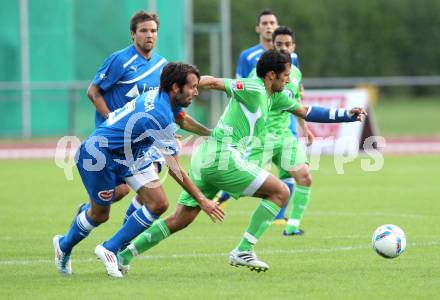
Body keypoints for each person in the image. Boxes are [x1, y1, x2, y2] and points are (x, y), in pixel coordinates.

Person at [117, 49, 366, 274]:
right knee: (280, 192)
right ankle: (243, 250)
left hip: (206, 158)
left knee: (182, 218)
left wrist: (346, 115)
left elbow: (307, 112)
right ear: (271, 75)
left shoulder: (275, 97)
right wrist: (174, 88)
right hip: (222, 158)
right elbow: (213, 82)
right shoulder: (253, 88)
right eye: (286, 75)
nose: (289, 79)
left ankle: (125, 254)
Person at [52, 63, 225, 277]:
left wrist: (210, 133)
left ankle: (109, 248)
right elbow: (175, 170)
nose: (196, 92)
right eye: (192, 87)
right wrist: (203, 200)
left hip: (129, 154)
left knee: (158, 202)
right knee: (99, 215)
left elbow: (181, 119)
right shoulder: (159, 114)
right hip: (98, 155)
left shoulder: (164, 98)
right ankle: (64, 245)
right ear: (175, 88)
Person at [85, 11, 211, 224]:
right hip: (113, 139)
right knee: (119, 192)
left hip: (140, 142)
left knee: (154, 185)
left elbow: (178, 115)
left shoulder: (163, 67)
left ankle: (122, 239)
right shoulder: (120, 60)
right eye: (143, 30)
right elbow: (93, 92)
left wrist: (209, 132)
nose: (149, 35)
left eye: (153, 30)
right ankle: (90, 214)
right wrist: (111, 118)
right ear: (133, 34)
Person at [219, 9, 309, 223]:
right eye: (265, 23)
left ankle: (282, 218)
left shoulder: (293, 61)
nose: (269, 26)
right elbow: (240, 87)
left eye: (272, 22)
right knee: (251, 172)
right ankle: (220, 192)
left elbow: (295, 92)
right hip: (262, 126)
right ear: (259, 28)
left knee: (294, 173)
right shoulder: (250, 57)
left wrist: (304, 127)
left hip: (286, 126)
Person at [249, 26, 313, 235]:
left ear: (293, 47)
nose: (284, 48)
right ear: (272, 45)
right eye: (279, 45)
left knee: (304, 177)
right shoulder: (259, 72)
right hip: (261, 137)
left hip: (285, 136)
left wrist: (305, 128)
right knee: (247, 183)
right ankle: (213, 196)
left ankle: (292, 227)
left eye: (288, 44)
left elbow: (296, 103)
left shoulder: (296, 73)